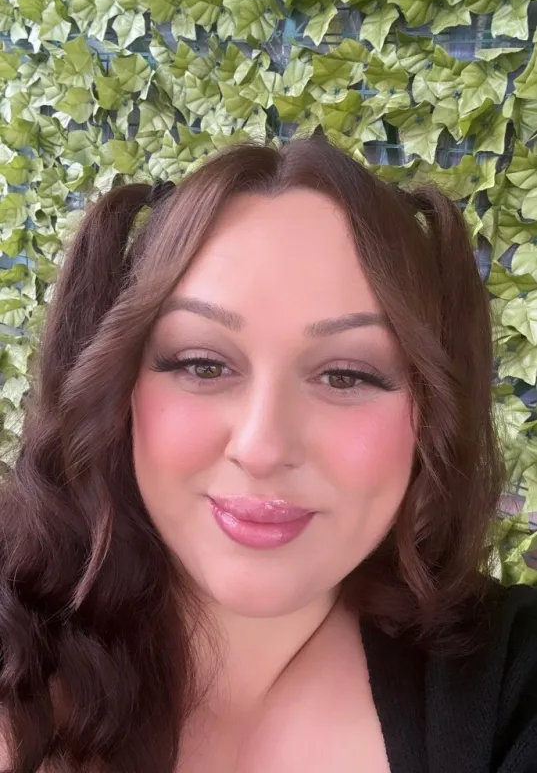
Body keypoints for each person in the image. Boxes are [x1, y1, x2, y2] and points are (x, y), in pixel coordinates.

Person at [0, 134, 535, 773]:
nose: (262, 448)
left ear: (432, 413)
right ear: (119, 389)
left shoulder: (514, 683)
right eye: (202, 364)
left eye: (346, 375)